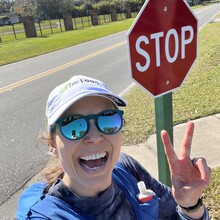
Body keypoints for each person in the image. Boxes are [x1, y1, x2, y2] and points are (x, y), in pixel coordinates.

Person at [16, 75, 211, 220]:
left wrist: (190, 205)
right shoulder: (46, 217)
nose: (94, 137)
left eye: (107, 120)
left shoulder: (126, 169)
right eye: (74, 126)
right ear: (52, 144)